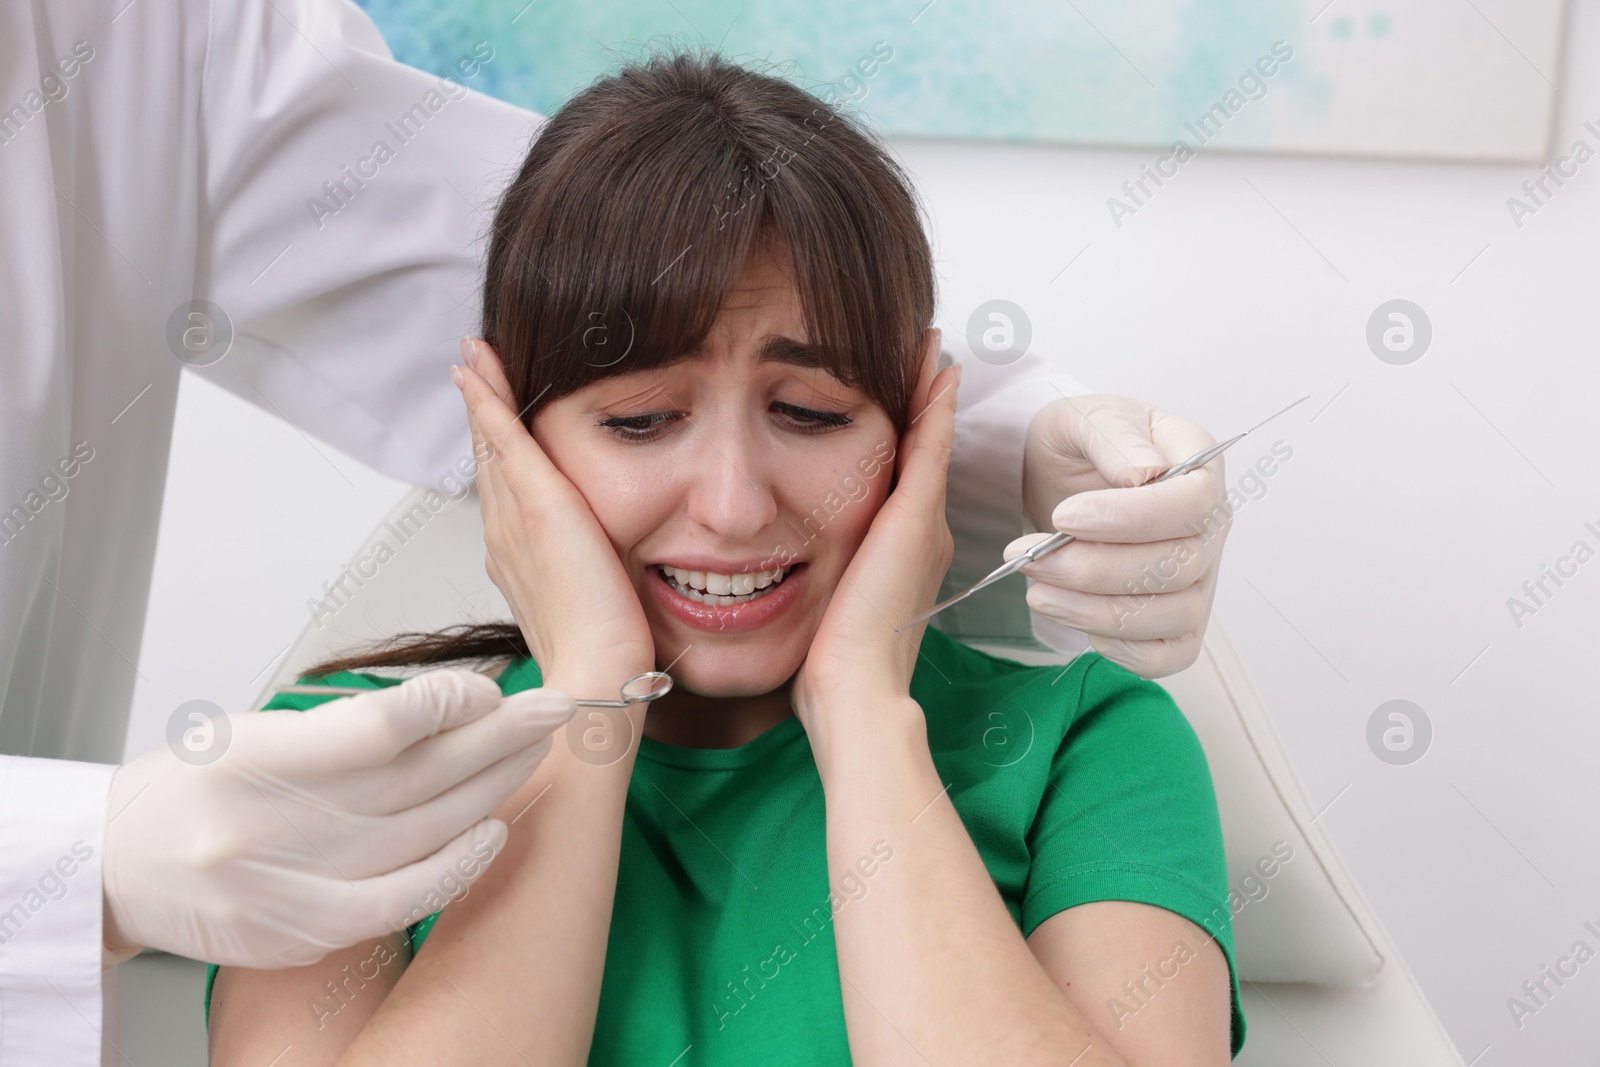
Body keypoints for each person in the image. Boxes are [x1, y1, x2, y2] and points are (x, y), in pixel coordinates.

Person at [1, 2, 1228, 1061]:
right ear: (507, 436)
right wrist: (587, 703)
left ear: (919, 416)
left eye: (809, 410)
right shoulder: (349, 768)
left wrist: (864, 712)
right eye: (640, 419)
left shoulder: (1087, 745)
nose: (736, 502)